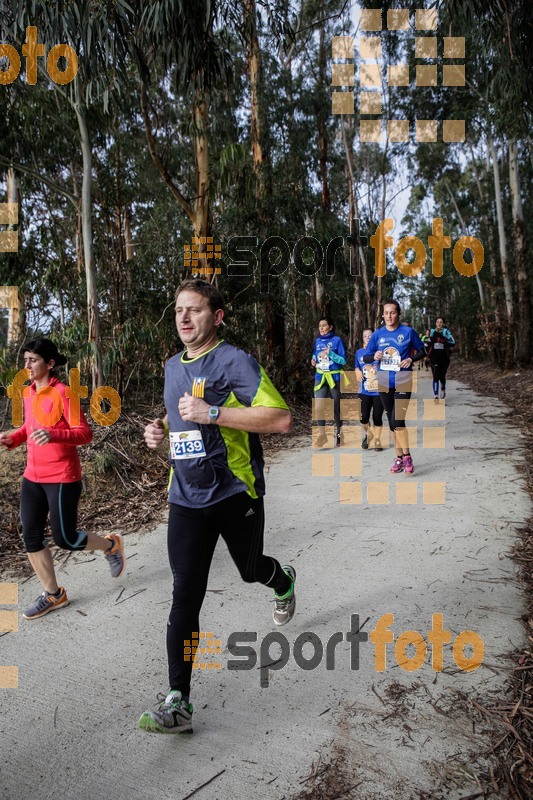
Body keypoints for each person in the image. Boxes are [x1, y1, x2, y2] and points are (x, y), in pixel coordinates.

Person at [138, 279, 295, 735]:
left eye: (195, 310)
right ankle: (179, 700)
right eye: (178, 310)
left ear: (218, 316)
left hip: (234, 493)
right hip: (185, 498)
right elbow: (177, 410)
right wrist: (158, 429)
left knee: (250, 570)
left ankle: (282, 581)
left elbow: (281, 418)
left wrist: (215, 413)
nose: (184, 318)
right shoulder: (171, 366)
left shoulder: (234, 361)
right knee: (185, 596)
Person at [0, 338, 125, 620]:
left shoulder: (64, 393)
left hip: (61, 476)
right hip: (32, 476)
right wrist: (12, 438)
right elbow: (29, 429)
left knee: (65, 538)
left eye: (33, 360)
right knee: (30, 535)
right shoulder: (29, 392)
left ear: (50, 363)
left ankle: (111, 545)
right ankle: (54, 595)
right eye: (25, 360)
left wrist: (54, 434)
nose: (27, 365)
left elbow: (85, 433)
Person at [364, 301, 425, 475]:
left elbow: (422, 351)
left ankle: (407, 456)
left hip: (403, 379)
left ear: (398, 314)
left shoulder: (408, 332)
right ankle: (398, 458)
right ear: (382, 315)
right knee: (391, 422)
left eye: (392, 313)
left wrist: (412, 359)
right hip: (384, 381)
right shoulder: (377, 335)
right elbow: (367, 357)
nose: (389, 316)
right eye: (386, 313)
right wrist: (373, 355)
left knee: (398, 420)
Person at [311, 316, 347, 448]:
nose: (321, 328)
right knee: (318, 406)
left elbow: (343, 361)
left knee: (335, 408)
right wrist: (313, 360)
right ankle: (322, 436)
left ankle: (339, 434)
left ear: (330, 327)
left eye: (324, 325)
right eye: (320, 326)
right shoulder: (318, 341)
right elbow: (315, 354)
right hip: (320, 377)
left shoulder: (337, 340)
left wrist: (331, 354)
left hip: (334, 378)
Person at [354, 329, 384, 451]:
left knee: (377, 417)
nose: (367, 337)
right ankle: (368, 434)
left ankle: (377, 440)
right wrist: (357, 371)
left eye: (370, 336)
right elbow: (356, 365)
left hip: (378, 390)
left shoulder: (380, 352)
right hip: (364, 390)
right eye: (365, 336)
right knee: (363, 417)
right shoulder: (359, 353)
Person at [428, 316, 456, 401]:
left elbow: (453, 342)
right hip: (434, 357)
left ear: (443, 323)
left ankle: (443, 387)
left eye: (441, 322)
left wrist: (444, 341)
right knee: (435, 376)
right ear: (435, 323)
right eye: (437, 322)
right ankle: (436, 395)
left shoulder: (446, 332)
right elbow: (427, 342)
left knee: (442, 376)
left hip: (444, 357)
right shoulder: (432, 331)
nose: (439, 324)